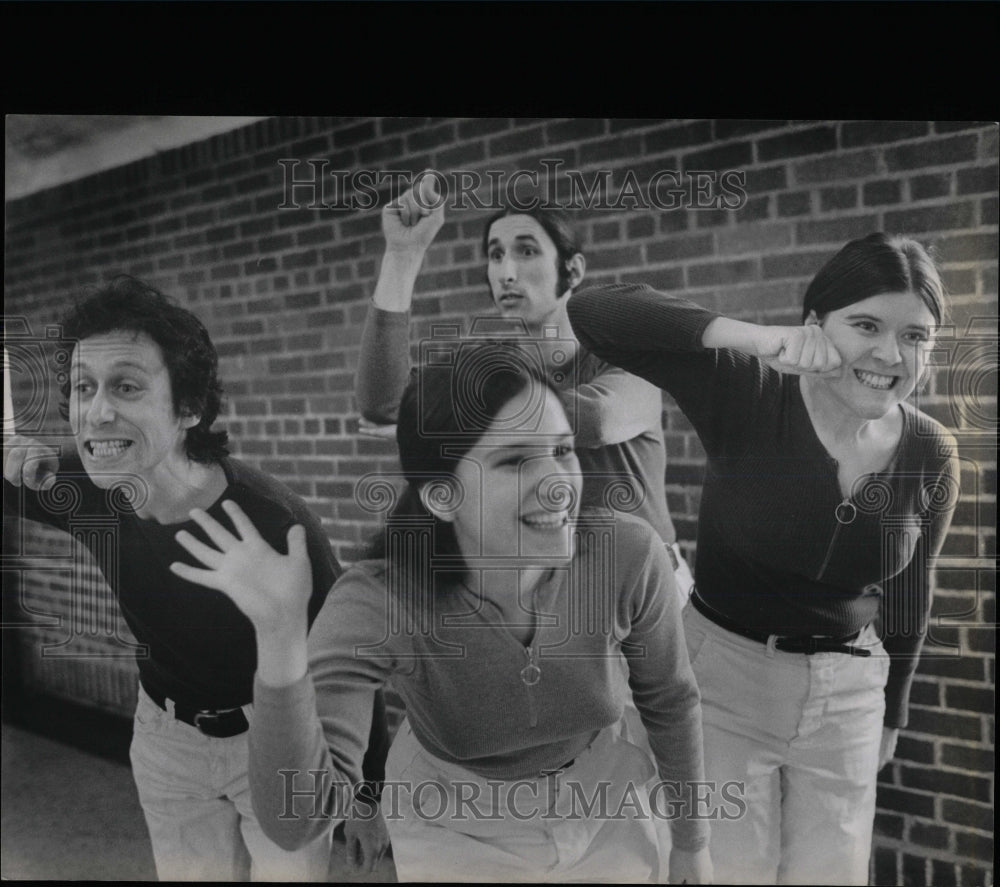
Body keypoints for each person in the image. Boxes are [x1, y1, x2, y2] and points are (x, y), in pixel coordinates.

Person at [169, 342, 714, 883]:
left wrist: (693, 843)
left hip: (605, 803)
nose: (559, 485)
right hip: (452, 821)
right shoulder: (382, 599)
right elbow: (298, 821)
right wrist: (280, 640)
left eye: (563, 449)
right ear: (441, 496)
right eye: (516, 460)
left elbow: (670, 699)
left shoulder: (628, 554)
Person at [567, 233, 959, 885]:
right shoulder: (750, 390)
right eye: (866, 325)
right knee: (729, 868)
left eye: (916, 335)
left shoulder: (930, 450)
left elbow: (913, 592)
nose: (891, 354)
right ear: (815, 326)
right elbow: (594, 311)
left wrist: (894, 708)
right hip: (724, 677)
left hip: (850, 690)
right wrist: (752, 337)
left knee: (832, 872)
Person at [2, 276, 389, 881]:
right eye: (82, 388)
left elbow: (351, 662)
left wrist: (368, 797)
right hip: (165, 737)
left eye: (125, 386)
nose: (96, 411)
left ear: (188, 408)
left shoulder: (271, 521)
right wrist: (9, 450)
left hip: (276, 740)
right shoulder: (84, 487)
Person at [355, 171, 694, 597]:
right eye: (495, 256)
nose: (506, 272)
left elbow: (596, 418)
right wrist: (402, 257)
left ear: (572, 270)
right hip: (552, 588)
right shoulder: (496, 371)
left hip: (648, 586)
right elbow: (382, 404)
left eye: (527, 251)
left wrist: (459, 425)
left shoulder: (626, 355)